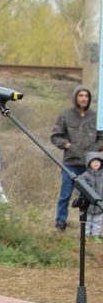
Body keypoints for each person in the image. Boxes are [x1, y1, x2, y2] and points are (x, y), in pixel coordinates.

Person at [50, 85, 102, 230]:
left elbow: (102, 137)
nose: (83, 98)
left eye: (86, 96)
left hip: (90, 165)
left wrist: (96, 148)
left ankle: (87, 226)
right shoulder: (66, 115)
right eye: (81, 95)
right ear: (75, 98)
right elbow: (55, 136)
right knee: (65, 195)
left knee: (89, 197)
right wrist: (68, 145)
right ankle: (60, 223)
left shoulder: (95, 117)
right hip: (71, 163)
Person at [77, 152, 103, 240]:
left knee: (98, 221)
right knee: (87, 220)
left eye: (98, 161)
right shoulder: (84, 176)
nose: (96, 163)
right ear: (88, 163)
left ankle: (95, 235)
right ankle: (86, 234)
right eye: (93, 162)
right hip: (88, 204)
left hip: (100, 204)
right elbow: (79, 188)